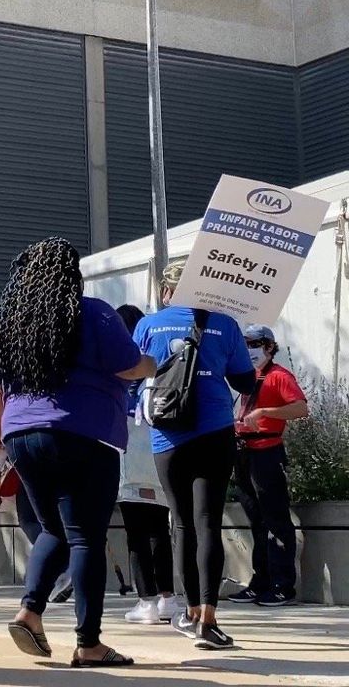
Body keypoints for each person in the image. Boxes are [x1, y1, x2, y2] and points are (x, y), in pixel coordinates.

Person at [0, 237, 155, 668]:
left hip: (20, 435)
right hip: (82, 433)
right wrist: (153, 364)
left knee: (53, 529)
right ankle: (89, 643)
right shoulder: (94, 312)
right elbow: (128, 365)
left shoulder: (11, 324)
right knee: (85, 537)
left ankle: (30, 610)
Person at [133, 259, 256, 650]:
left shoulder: (149, 325)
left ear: (166, 290)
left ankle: (185, 613)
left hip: (167, 436)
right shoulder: (224, 323)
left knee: (181, 523)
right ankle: (208, 619)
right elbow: (245, 380)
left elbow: (133, 372)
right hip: (214, 431)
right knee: (208, 524)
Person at [228, 324, 307, 608]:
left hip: (267, 450)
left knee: (275, 519)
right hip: (243, 451)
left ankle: (283, 585)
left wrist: (265, 412)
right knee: (256, 520)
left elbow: (301, 408)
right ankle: (261, 581)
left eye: (255, 343)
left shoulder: (279, 376)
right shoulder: (244, 378)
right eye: (245, 343)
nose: (249, 349)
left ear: (270, 347)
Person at [113, 305, 181, 626]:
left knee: (136, 533)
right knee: (159, 531)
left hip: (129, 459)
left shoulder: (119, 368)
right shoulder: (156, 363)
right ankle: (169, 598)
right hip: (158, 453)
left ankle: (146, 602)